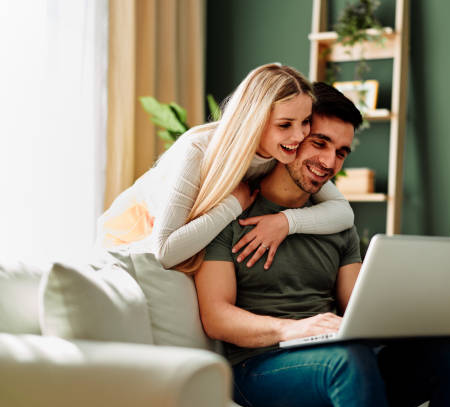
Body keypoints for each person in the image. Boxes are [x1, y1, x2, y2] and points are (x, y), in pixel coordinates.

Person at [195, 82, 450, 407]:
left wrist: (415, 312)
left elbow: (356, 307)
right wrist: (294, 329)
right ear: (293, 138)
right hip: (259, 366)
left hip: (342, 357)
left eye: (341, 152)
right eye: (320, 143)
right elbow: (216, 317)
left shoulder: (336, 224)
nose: (330, 162)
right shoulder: (231, 212)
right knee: (348, 362)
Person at [97, 64, 354, 274]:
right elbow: (164, 252)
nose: (299, 136)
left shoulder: (284, 149)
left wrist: (285, 222)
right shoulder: (198, 149)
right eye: (285, 125)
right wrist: (232, 205)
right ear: (255, 120)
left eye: (305, 122)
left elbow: (343, 212)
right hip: (131, 235)